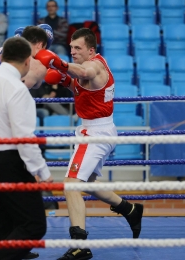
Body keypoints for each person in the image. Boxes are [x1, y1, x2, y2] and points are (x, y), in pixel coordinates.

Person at [35, 28, 144, 260]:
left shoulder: (95, 65)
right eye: (71, 48)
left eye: (78, 48)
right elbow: (82, 88)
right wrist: (66, 81)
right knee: (88, 181)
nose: (73, 51)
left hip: (95, 132)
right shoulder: (88, 70)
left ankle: (80, 245)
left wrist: (60, 65)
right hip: (95, 129)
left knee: (71, 184)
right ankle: (130, 209)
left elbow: (85, 72)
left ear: (91, 50)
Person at [0, 36, 53, 260]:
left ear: (2, 56)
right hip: (8, 162)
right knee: (33, 225)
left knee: (2, 229)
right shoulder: (16, 88)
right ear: (28, 61)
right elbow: (24, 136)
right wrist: (42, 172)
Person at [0, 24, 53, 90]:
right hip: (7, 97)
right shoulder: (37, 67)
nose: (44, 51)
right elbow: (36, 85)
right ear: (40, 45)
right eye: (45, 48)